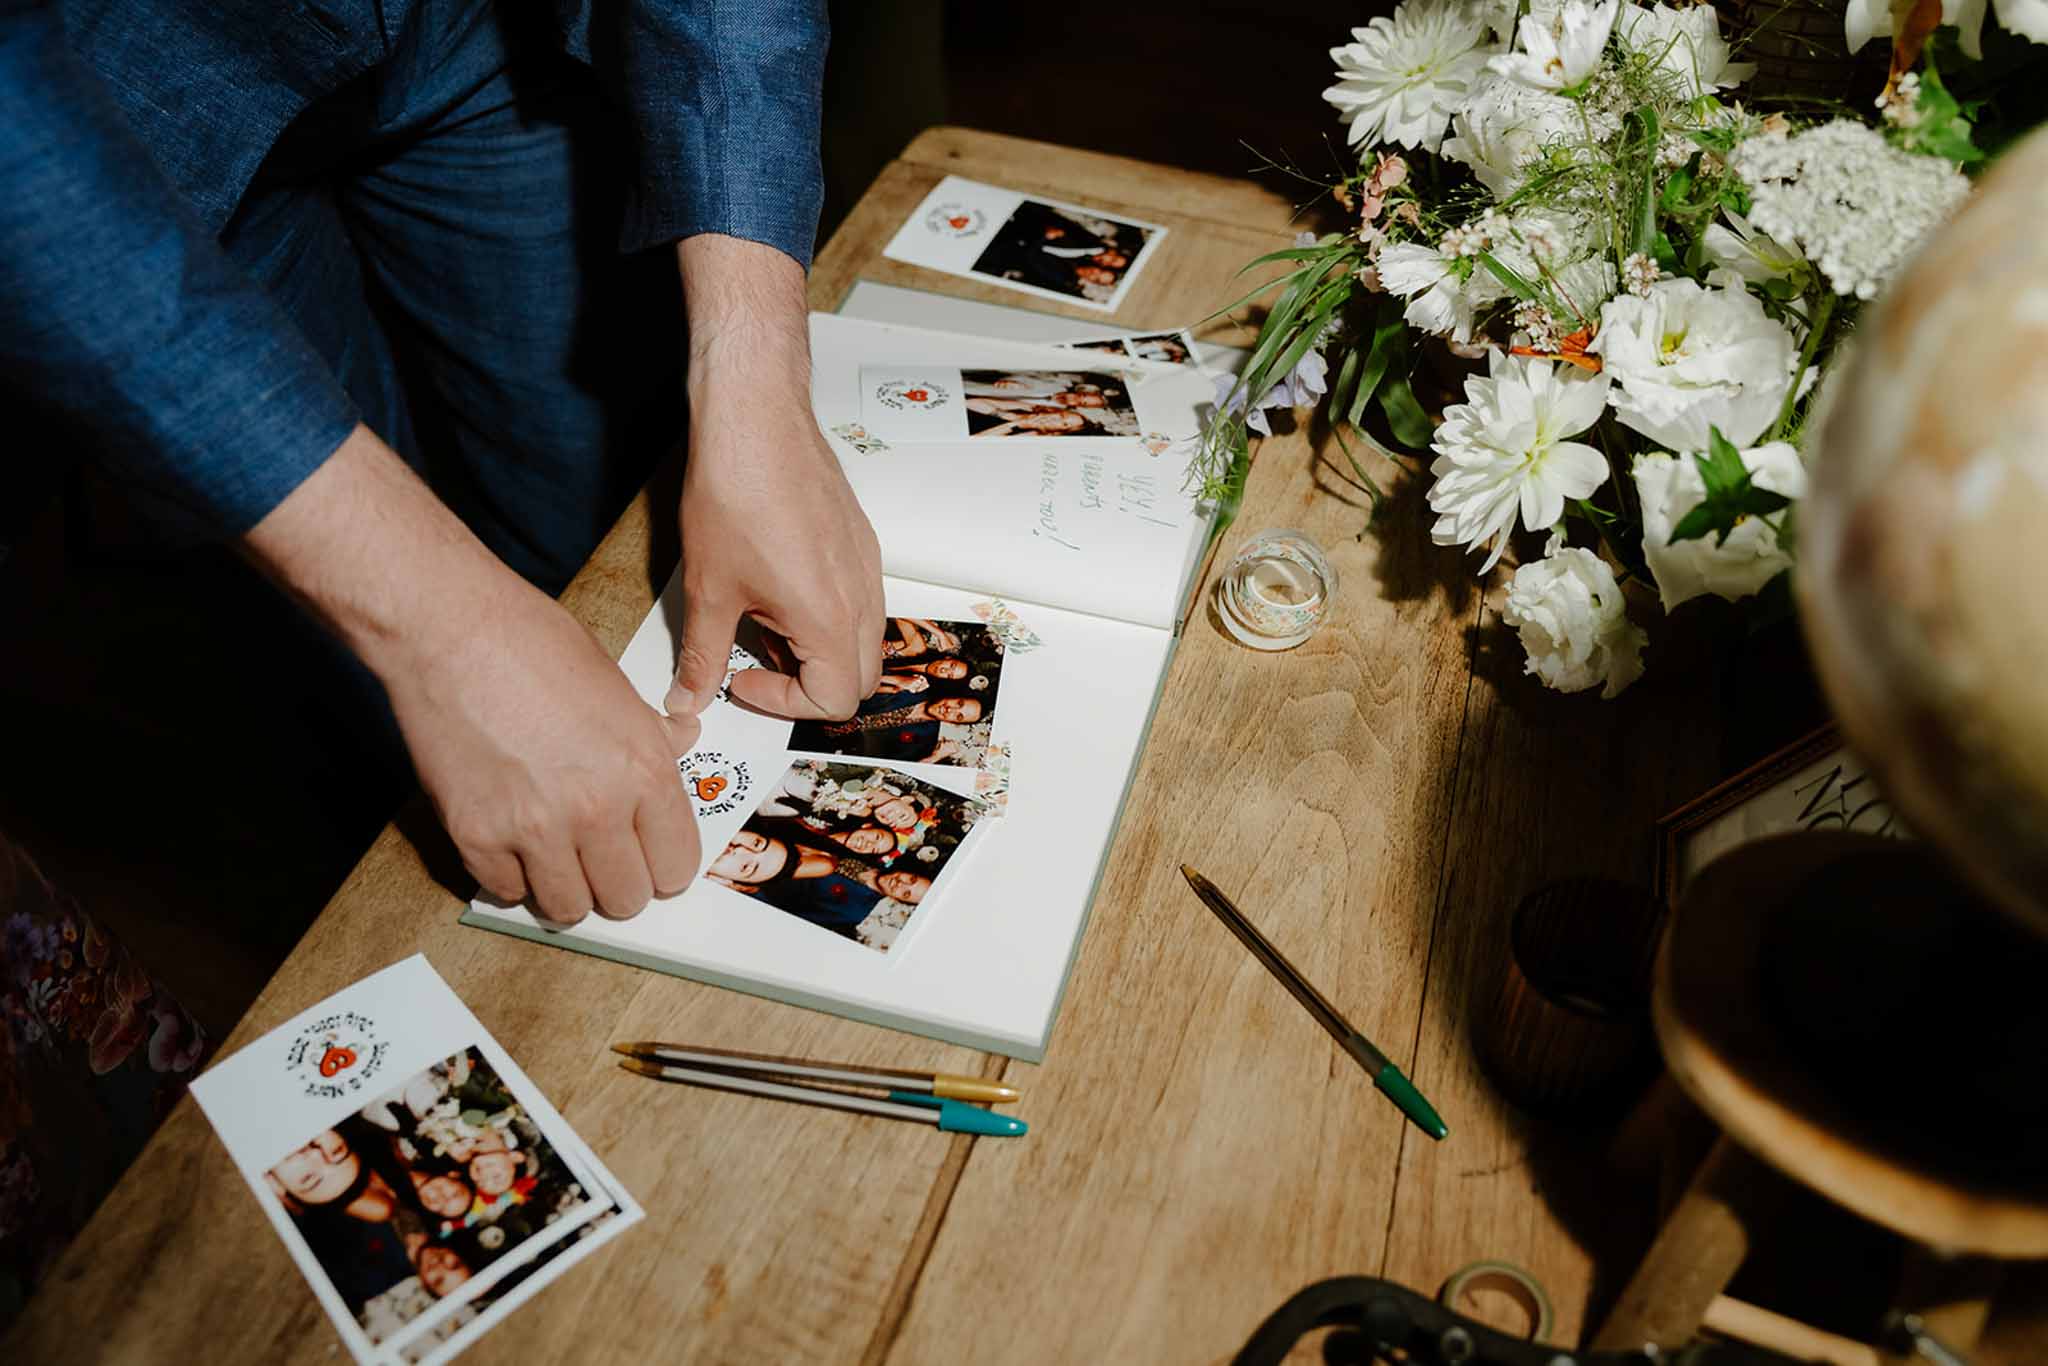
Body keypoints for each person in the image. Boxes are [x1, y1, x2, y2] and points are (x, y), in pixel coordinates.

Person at [3, 0, 883, 931]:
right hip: (108, 123)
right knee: (365, 635)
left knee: (593, 520)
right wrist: (446, 633)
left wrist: (755, 373)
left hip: (481, 32)